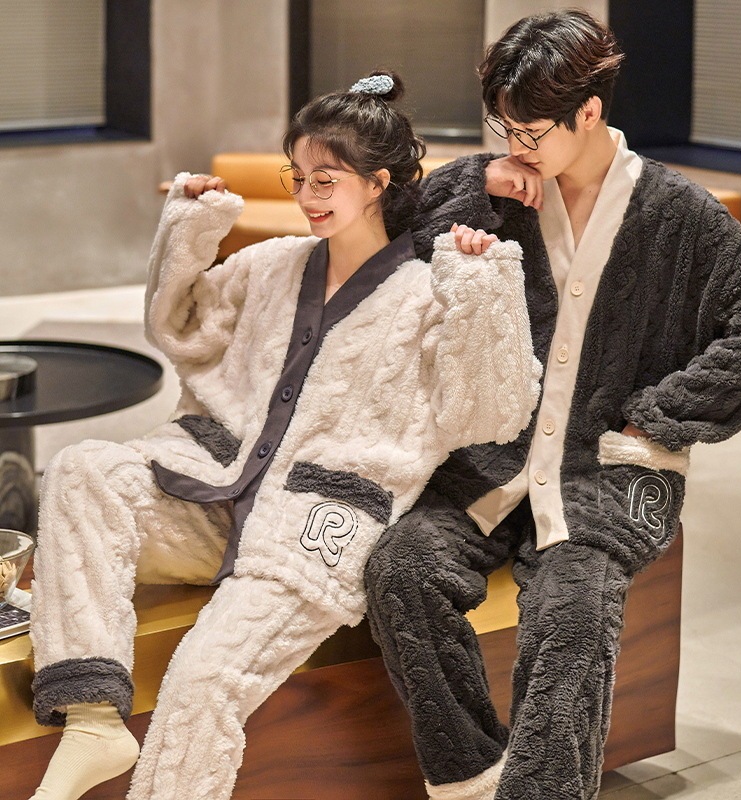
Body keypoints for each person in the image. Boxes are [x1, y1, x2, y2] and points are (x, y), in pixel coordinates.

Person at [26, 71, 541, 800]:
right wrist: (190, 227)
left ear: (378, 183)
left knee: (203, 679)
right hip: (216, 496)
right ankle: (91, 719)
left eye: (326, 179)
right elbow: (181, 329)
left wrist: (483, 291)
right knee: (82, 467)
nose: (306, 195)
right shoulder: (271, 264)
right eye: (297, 177)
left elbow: (490, 412)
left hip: (310, 533)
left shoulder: (429, 294)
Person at [364, 12, 741, 800]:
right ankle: (470, 777)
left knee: (573, 613)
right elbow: (384, 240)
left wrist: (663, 413)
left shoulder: (677, 213)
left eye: (530, 131)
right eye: (503, 126)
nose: (514, 144)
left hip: (608, 472)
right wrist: (475, 184)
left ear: (588, 112)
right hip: (490, 461)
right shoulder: (494, 187)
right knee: (401, 567)